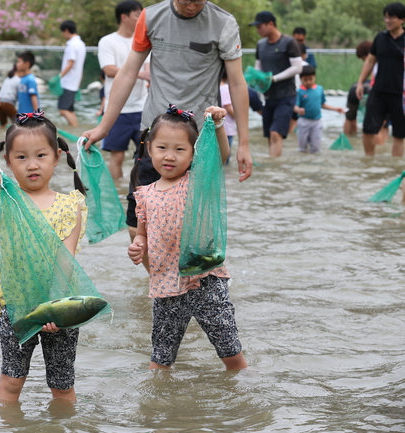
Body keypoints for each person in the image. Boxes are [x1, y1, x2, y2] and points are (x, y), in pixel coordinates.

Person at [82, 0, 253, 272]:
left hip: (199, 140)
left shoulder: (223, 23)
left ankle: (188, 284)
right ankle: (159, 284)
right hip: (155, 135)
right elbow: (127, 73)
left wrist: (244, 142)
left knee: (194, 225)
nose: (192, 4)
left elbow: (236, 82)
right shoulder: (151, 16)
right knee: (136, 223)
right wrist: (104, 127)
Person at [0, 92, 88, 402]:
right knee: (11, 383)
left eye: (41, 156)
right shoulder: (7, 197)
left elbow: (66, 259)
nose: (31, 165)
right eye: (21, 158)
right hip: (15, 307)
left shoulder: (70, 204)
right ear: (7, 161)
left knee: (62, 387)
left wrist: (53, 308)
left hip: (59, 308)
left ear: (57, 157)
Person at [128, 104, 247, 371]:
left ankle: (244, 391)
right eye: (162, 148)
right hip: (166, 286)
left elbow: (220, 156)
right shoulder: (144, 194)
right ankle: (156, 406)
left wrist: (217, 126)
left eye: (180, 150)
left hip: (206, 280)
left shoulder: (197, 182)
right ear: (149, 149)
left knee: (230, 352)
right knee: (160, 359)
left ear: (194, 154)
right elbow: (143, 234)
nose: (169, 156)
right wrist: (138, 245)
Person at [98, 0, 149, 180]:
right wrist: (140, 74)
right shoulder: (108, 41)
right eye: (137, 15)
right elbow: (109, 70)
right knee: (117, 156)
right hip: (118, 109)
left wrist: (147, 75)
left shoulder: (143, 39)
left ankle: (141, 194)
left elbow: (149, 69)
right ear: (124, 17)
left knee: (147, 156)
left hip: (142, 107)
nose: (141, 18)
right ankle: (118, 193)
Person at [355, 2, 405, 157]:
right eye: (386, 17)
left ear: (402, 19)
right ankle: (368, 161)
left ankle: (394, 166)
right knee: (368, 128)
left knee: (399, 133)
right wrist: (360, 82)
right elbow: (370, 60)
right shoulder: (380, 38)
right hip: (379, 90)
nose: (388, 21)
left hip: (401, 93)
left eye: (392, 18)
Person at [251, 11, 303, 157]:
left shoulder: (288, 42)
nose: (258, 30)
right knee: (269, 135)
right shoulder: (261, 45)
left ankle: (276, 170)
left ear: (271, 24)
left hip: (286, 96)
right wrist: (255, 79)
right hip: (267, 97)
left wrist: (274, 79)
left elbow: (297, 67)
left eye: (260, 26)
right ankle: (271, 170)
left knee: (275, 133)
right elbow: (258, 67)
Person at [293, 65, 345, 153]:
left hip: (317, 122)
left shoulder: (319, 89)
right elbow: (294, 106)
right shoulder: (299, 92)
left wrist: (336, 109)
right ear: (301, 79)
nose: (309, 82)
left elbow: (322, 104)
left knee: (316, 147)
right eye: (305, 80)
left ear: (315, 77)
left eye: (311, 79)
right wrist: (299, 110)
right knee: (302, 148)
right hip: (303, 121)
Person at [58, 20, 86, 127]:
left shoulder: (72, 45)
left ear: (66, 30)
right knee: (69, 109)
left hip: (68, 82)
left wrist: (59, 76)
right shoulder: (81, 44)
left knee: (63, 110)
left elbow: (70, 63)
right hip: (75, 81)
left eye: (62, 32)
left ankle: (76, 130)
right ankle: (74, 128)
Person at [344, 41, 373, 137]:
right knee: (381, 123)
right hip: (371, 90)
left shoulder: (369, 61)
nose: (363, 60)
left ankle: (347, 139)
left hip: (354, 89)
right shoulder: (378, 59)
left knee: (350, 117)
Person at [219, 69, 236, 163]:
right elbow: (228, 108)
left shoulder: (215, 87)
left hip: (217, 128)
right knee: (225, 158)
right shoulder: (225, 88)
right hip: (227, 129)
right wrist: (238, 117)